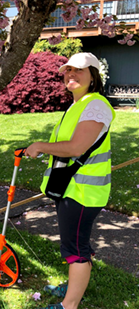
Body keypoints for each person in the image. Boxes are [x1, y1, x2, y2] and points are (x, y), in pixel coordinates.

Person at [25, 52, 115, 309]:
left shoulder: (95, 105)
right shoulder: (78, 104)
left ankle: (70, 304)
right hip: (72, 187)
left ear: (93, 76)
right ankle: (75, 287)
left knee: (75, 249)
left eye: (80, 70)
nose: (71, 74)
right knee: (78, 242)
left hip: (83, 192)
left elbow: (77, 147)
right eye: (68, 70)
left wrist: (41, 145)